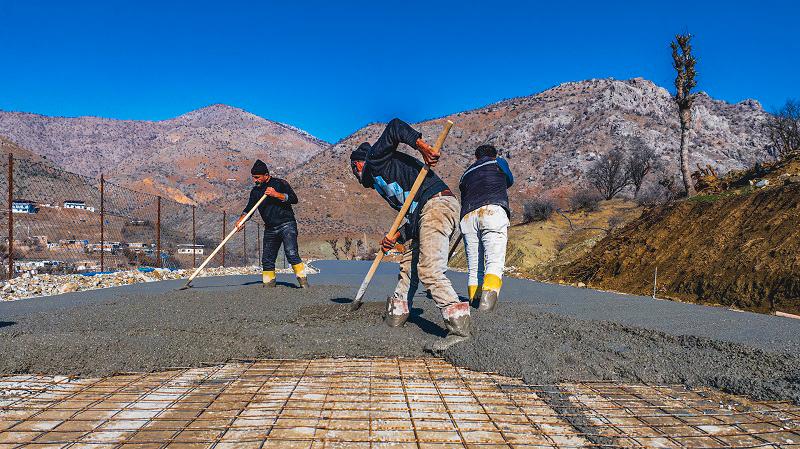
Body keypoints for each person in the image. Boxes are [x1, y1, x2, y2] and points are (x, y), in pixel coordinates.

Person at [349, 118, 469, 351]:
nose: (355, 172)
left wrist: (422, 147)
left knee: (429, 269)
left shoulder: (375, 160)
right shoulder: (383, 181)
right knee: (408, 266)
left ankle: (460, 329)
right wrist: (397, 236)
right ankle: (397, 314)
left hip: (437, 205)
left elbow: (394, 126)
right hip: (426, 211)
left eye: (354, 167)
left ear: (358, 164)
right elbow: (414, 218)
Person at [235, 159, 308, 288]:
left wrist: (276, 194)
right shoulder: (256, 191)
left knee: (291, 252)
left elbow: (293, 199)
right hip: (270, 228)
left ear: (266, 175)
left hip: (287, 224)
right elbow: (249, 209)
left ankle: (303, 282)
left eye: (257, 177)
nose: (255, 180)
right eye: (253, 177)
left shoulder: (280, 183)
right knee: (267, 259)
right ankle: (269, 285)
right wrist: (242, 220)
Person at [458, 144, 513, 311]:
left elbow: (464, 193)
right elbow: (509, 180)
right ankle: (486, 306)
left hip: (467, 217)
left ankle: (474, 301)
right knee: (494, 261)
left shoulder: (465, 174)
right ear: (494, 154)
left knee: (474, 266)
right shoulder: (498, 162)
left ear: (476, 157)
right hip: (492, 211)